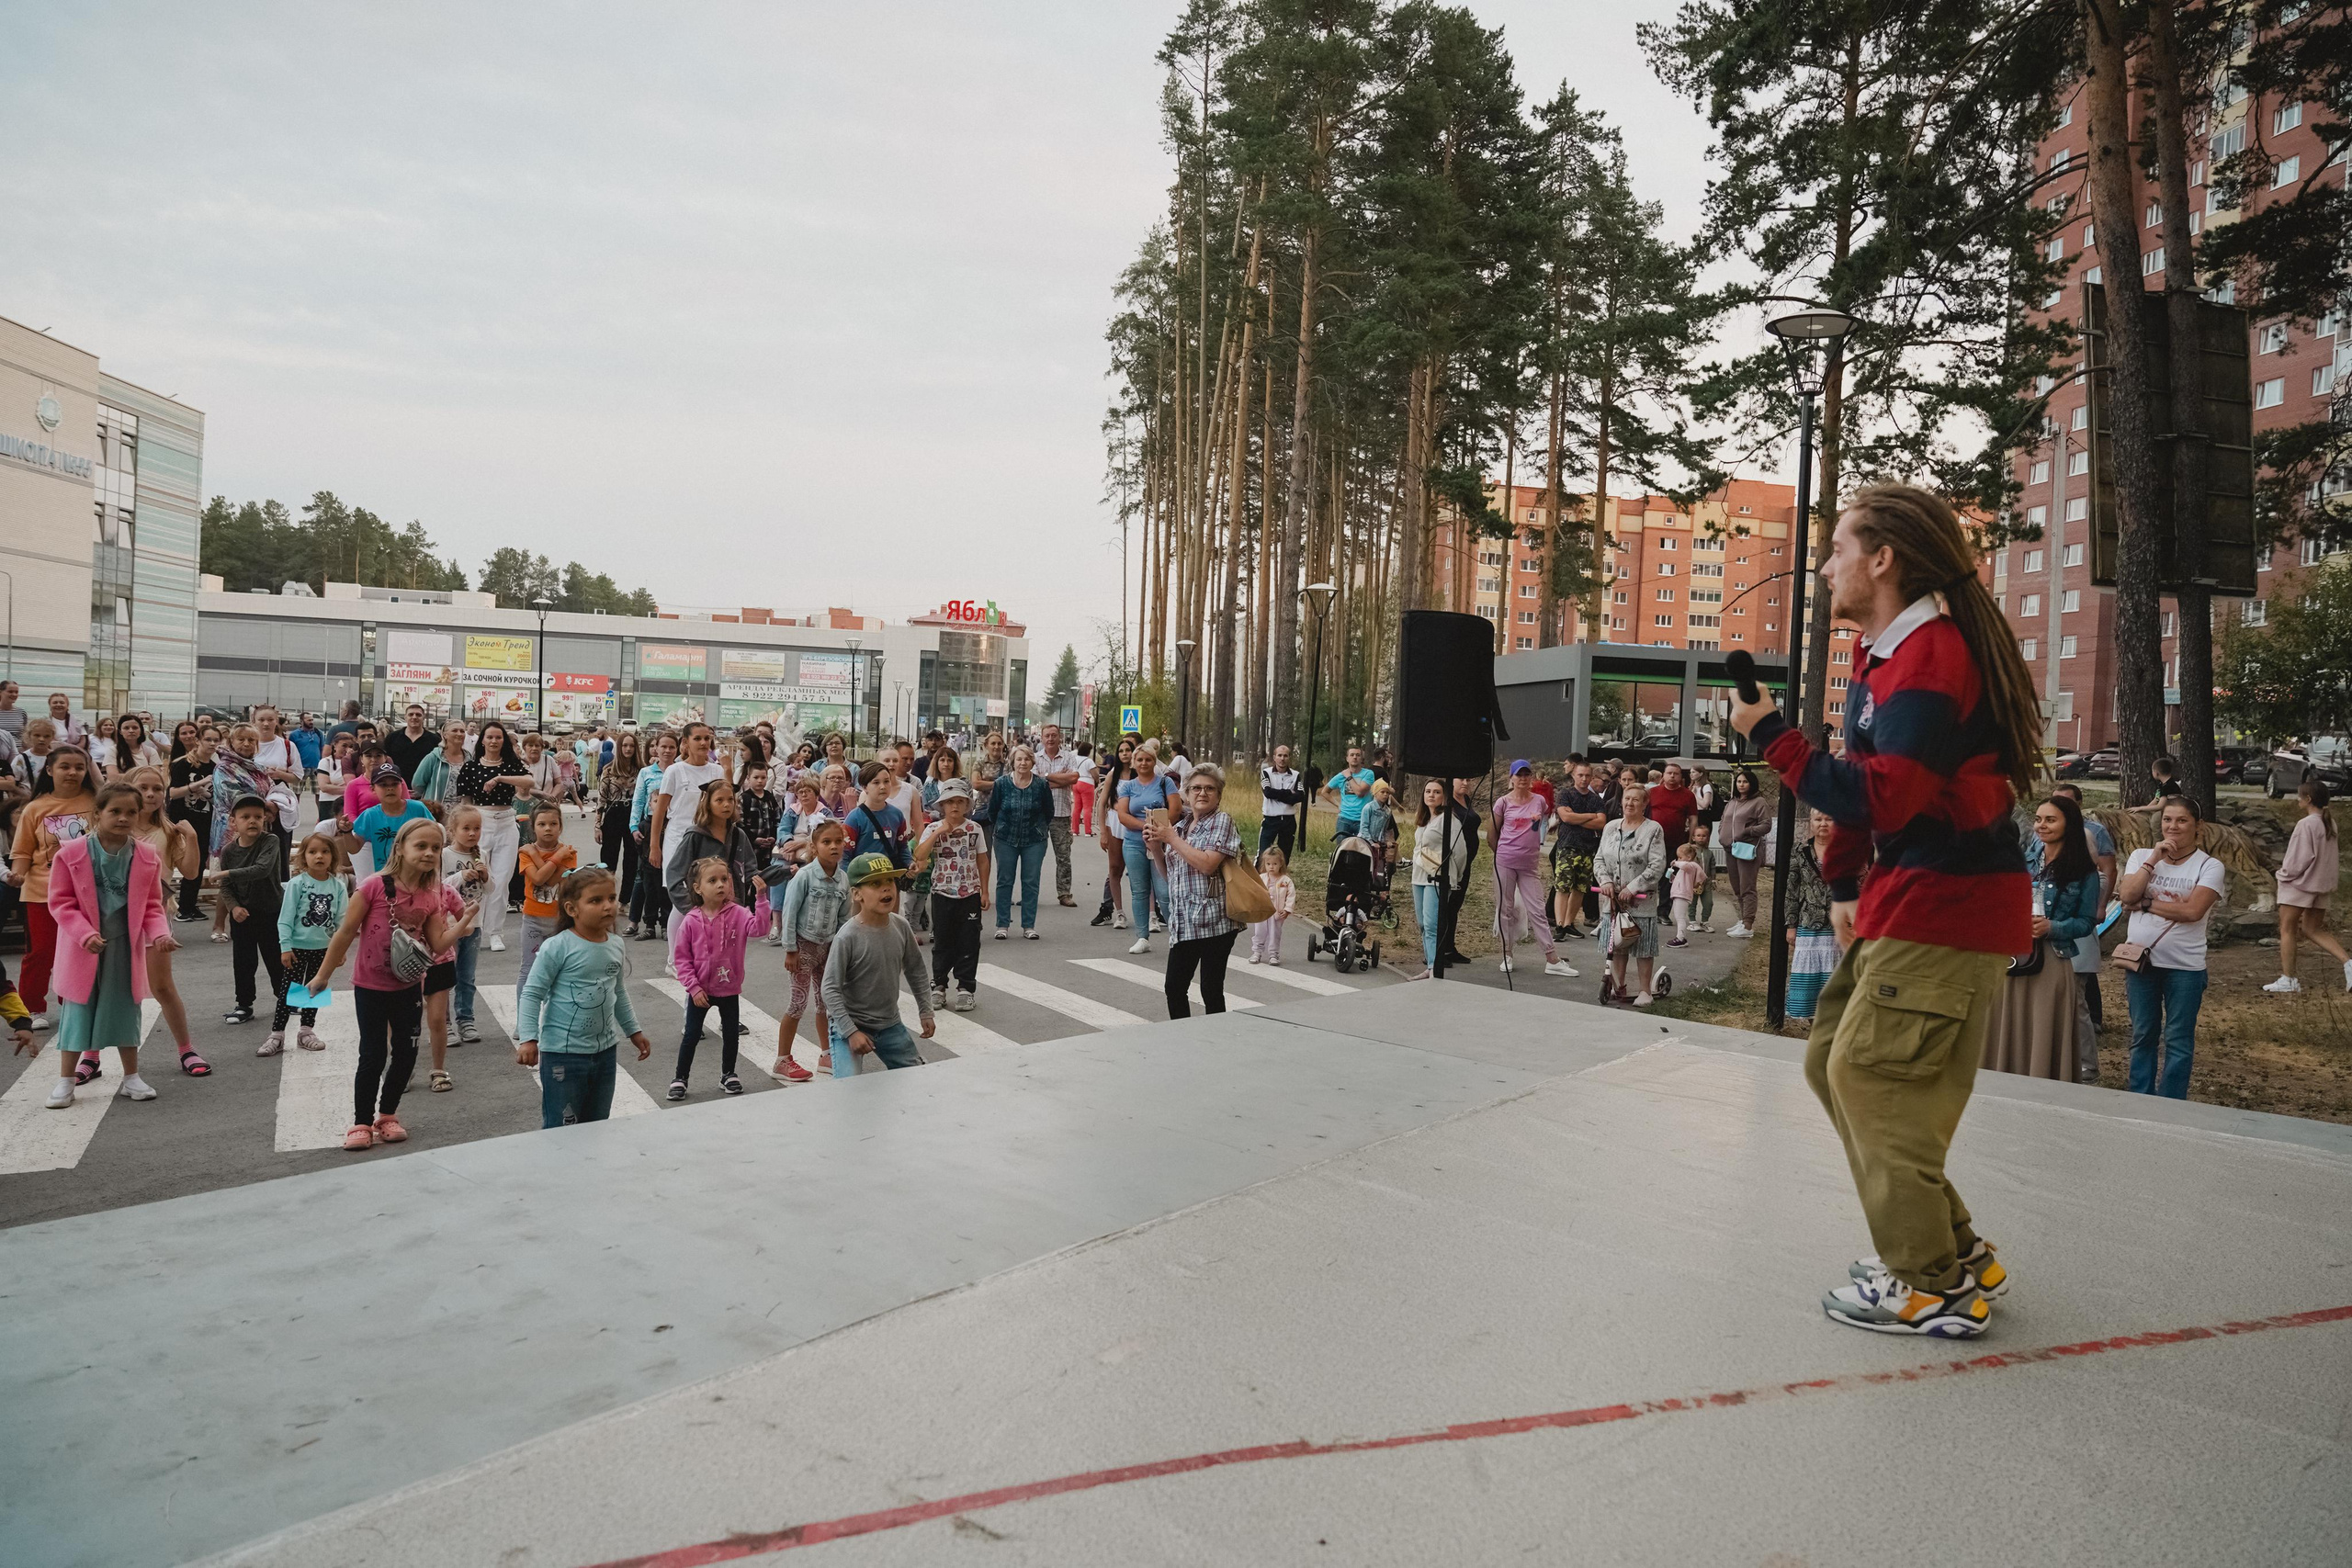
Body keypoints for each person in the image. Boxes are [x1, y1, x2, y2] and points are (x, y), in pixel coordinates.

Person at [1729, 481, 2041, 1340]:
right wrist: (1839, 886)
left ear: (1883, 558)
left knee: (1873, 1081)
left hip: (1949, 909)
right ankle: (1952, 1251)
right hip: (1908, 904)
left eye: (1836, 548)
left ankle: (1932, 1284)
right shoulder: (1884, 655)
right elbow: (1864, 796)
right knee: (1832, 1058)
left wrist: (1771, 735)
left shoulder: (1930, 655)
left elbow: (1889, 795)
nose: (1824, 565)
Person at [307, 816, 473, 1148]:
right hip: (370, 986)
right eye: (421, 846)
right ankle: (361, 1122)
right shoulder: (372, 886)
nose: (429, 853)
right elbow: (344, 932)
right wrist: (322, 976)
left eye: (436, 848)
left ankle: (387, 1115)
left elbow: (438, 945)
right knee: (372, 1054)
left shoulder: (431, 895)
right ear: (400, 847)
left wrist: (464, 921)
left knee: (406, 1053)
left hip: (409, 985)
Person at [39, 782, 169, 1109]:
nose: (123, 818)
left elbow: (153, 905)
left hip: (124, 947)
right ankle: (66, 1081)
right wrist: (84, 934)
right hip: (83, 947)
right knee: (77, 1012)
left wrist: (161, 934)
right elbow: (61, 903)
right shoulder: (71, 853)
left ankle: (131, 1077)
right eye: (115, 811)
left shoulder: (146, 855)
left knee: (126, 1009)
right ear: (97, 813)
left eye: (131, 812)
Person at [514, 867, 652, 1128]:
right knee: (562, 1127)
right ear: (571, 909)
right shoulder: (557, 946)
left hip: (604, 1053)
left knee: (597, 1124)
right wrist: (528, 1039)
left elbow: (618, 992)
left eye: (611, 898)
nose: (607, 906)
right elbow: (532, 993)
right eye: (595, 901)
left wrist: (634, 1031)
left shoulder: (615, 943)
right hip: (563, 1055)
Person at [1983, 795, 2103, 1083]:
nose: (2041, 826)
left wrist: (2053, 927)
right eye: (2038, 819)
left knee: (2044, 1028)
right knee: (2007, 1021)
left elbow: (2086, 922)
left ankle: (2041, 1088)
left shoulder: (2084, 872)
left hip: (2052, 959)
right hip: (2013, 956)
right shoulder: (2022, 861)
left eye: (2050, 819)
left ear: (2069, 825)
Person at [2117, 795, 2227, 1100]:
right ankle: (2139, 1097)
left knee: (2178, 1038)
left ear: (2197, 826)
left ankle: (2171, 1103)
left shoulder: (2209, 865)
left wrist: (2148, 903)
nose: (2173, 826)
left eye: (2181, 820)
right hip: (2141, 963)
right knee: (2143, 1035)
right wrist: (2154, 859)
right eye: (2167, 819)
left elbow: (2193, 911)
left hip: (2185, 967)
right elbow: (2127, 894)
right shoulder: (2141, 856)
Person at [108, 768, 208, 1078]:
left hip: (154, 917)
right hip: (112, 918)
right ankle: (91, 1054)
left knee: (162, 986)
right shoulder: (111, 828)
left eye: (157, 789)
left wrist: (190, 837)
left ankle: (186, 1049)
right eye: (143, 788)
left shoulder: (167, 831)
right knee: (107, 988)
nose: (151, 794)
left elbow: (191, 873)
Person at [820, 852, 936, 1077]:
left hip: (889, 1023)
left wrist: (926, 1011)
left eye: (889, 881)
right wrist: (851, 1032)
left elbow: (916, 970)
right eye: (875, 883)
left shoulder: (901, 926)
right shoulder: (847, 937)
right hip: (849, 1024)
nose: (886, 889)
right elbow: (830, 988)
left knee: (916, 1080)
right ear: (856, 894)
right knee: (848, 1088)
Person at [7, 746, 97, 1031]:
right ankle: (32, 1006)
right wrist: (17, 876)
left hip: (86, 893)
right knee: (41, 952)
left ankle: (72, 1000)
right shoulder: (35, 808)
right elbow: (21, 852)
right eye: (65, 767)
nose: (73, 772)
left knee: (78, 950)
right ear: (49, 770)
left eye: (79, 767)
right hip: (41, 893)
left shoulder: (97, 801)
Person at [1145, 763, 1242, 1018]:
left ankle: (1214, 1041)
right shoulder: (1180, 827)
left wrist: (1170, 839)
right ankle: (1184, 1039)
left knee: (1211, 989)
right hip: (1183, 921)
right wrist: (1156, 846)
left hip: (1215, 920)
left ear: (1218, 795)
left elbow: (1208, 864)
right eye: (1196, 788)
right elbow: (1170, 875)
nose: (1202, 793)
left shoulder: (1222, 821)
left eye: (1209, 788)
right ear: (1186, 794)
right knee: (1174, 987)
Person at [669, 857, 761, 1099]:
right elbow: (682, 960)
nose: (721, 885)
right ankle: (680, 1078)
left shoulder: (739, 914)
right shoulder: (690, 921)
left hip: (729, 989)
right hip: (700, 991)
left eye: (724, 879)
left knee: (731, 1035)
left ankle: (728, 1074)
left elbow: (759, 929)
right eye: (713, 880)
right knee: (690, 1036)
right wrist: (694, 988)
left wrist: (761, 899)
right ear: (698, 888)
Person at [775, 820, 847, 1079]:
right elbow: (790, 912)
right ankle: (782, 1060)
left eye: (838, 841)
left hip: (828, 949)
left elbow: (843, 920)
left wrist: (840, 954)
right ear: (815, 847)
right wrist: (790, 949)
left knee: (825, 1002)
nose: (834, 846)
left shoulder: (843, 879)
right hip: (803, 947)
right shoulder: (805, 876)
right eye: (826, 842)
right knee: (797, 1003)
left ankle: (827, 1054)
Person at [209, 794, 289, 1030]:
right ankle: (244, 1005)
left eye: (258, 816)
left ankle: (289, 999)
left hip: (271, 911)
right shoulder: (228, 851)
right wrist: (233, 907)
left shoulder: (270, 841)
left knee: (279, 959)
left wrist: (226, 873)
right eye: (245, 817)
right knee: (243, 962)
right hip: (243, 914)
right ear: (234, 822)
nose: (252, 821)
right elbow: (226, 888)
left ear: (265, 819)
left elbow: (262, 869)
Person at [1491, 761, 1576, 978]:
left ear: (1531, 779)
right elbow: (1493, 834)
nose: (1523, 779)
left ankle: (1552, 958)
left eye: (1527, 775)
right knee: (1505, 908)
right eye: (1519, 775)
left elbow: (1545, 821)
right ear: (1511, 778)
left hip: (1530, 865)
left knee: (1537, 910)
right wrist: (1502, 854)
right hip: (1506, 862)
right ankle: (1507, 954)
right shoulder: (1503, 803)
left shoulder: (1538, 801)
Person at [2265, 779, 2347, 995]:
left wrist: (2282, 875)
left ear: (2308, 799)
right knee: (2313, 929)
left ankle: (2289, 979)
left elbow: (2299, 859)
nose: (2297, 799)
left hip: (2299, 885)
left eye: (2300, 796)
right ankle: (2348, 963)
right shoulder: (2330, 823)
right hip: (2320, 886)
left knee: (2287, 929)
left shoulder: (2306, 824)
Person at [455, 721, 530, 953]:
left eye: (498, 737)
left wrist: (500, 778)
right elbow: (465, 801)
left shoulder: (511, 765)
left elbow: (529, 781)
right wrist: (465, 828)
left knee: (501, 879)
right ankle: (473, 927)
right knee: (477, 877)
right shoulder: (470, 767)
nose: (494, 741)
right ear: (483, 740)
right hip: (481, 822)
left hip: (507, 821)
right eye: (490, 737)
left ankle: (495, 932)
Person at [915, 776, 989, 1010]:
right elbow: (920, 856)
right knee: (943, 940)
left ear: (967, 805)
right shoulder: (933, 828)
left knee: (969, 940)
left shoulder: (974, 828)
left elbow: (982, 860)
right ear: (942, 805)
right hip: (942, 892)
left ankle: (966, 988)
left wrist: (984, 891)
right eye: (950, 802)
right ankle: (939, 985)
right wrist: (939, 833)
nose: (955, 806)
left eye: (960, 801)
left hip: (969, 893)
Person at [273, 833, 347, 1055]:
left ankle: (307, 1031)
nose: (319, 856)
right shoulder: (297, 884)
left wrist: (339, 950)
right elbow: (285, 918)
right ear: (304, 857)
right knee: (290, 991)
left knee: (316, 989)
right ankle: (277, 1034)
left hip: (325, 950)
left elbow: (342, 922)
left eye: (325, 852)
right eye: (313, 852)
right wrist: (285, 947)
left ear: (333, 857)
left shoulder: (338, 887)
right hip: (296, 949)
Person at [1594, 783, 1668, 1006]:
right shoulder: (1611, 827)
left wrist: (1633, 888)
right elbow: (1599, 859)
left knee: (1643, 947)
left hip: (1640, 901)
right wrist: (1605, 881)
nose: (1630, 803)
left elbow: (1656, 865)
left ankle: (1645, 991)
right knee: (1616, 944)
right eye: (1627, 798)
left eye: (1636, 799)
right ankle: (1619, 986)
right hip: (1612, 900)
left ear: (1645, 804)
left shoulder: (1653, 829)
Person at [1115, 743, 1180, 954]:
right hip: (1134, 841)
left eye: (1148, 760)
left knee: (1164, 890)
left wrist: (1159, 831)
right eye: (1140, 760)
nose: (1144, 763)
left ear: (1154, 761)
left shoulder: (1165, 782)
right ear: (1134, 762)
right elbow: (1123, 815)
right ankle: (1142, 937)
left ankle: (1177, 936)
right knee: (1139, 890)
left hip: (1161, 841)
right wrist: (1145, 826)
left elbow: (1175, 809)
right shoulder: (1127, 786)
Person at [989, 744, 1053, 941]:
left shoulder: (1041, 785)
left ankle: (1028, 925)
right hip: (1005, 838)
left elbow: (1048, 812)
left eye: (1026, 759)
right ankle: (1002, 925)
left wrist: (1039, 829)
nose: (1023, 762)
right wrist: (1001, 829)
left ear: (1032, 762)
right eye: (1019, 759)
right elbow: (993, 811)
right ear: (1012, 762)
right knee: (1004, 881)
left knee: (1031, 882)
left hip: (1034, 839)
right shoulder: (1001, 784)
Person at [1408, 781, 1472, 978]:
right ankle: (1430, 964)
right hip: (1418, 877)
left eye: (1436, 792)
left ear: (1444, 796)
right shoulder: (1426, 819)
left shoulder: (1449, 820)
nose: (1431, 795)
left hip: (1436, 878)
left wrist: (1456, 876)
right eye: (1428, 791)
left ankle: (1435, 967)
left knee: (1432, 923)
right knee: (1422, 924)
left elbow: (1461, 852)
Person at [440, 806, 491, 1048]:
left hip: (474, 924)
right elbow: (437, 887)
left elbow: (491, 891)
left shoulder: (482, 854)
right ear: (452, 831)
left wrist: (485, 876)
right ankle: (444, 1024)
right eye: (466, 828)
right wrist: (462, 877)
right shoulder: (445, 855)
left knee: (467, 977)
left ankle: (466, 1019)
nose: (472, 833)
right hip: (449, 925)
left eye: (477, 828)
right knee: (445, 977)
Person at [1782, 809, 1840, 1022]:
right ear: (1811, 823)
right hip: (1809, 923)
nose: (1823, 823)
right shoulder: (1800, 850)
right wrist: (1791, 925)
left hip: (1838, 925)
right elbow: (1792, 889)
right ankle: (1812, 1019)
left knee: (1834, 973)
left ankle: (1831, 1019)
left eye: (1829, 819)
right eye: (1818, 819)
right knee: (1809, 975)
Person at [514, 804, 579, 993]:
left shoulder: (569, 853)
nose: (548, 828)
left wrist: (548, 856)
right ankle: (524, 1019)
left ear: (561, 827)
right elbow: (538, 879)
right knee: (528, 969)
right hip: (533, 920)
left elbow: (550, 881)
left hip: (560, 921)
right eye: (541, 824)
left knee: (559, 970)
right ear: (533, 827)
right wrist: (544, 855)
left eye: (553, 823)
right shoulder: (526, 852)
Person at [1548, 762, 1608, 942]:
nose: (1584, 779)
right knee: (1563, 886)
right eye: (1580, 775)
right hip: (1568, 846)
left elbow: (1601, 823)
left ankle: (1568, 923)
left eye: (1587, 776)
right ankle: (1559, 925)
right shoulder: (1565, 794)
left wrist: (1576, 818)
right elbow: (1565, 817)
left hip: (1588, 848)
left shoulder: (1596, 800)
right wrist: (1590, 816)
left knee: (1580, 888)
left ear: (1592, 777)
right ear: (1574, 775)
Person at [628, 731, 678, 940]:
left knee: (668, 879)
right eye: (663, 746)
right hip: (648, 828)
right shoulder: (646, 772)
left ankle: (667, 924)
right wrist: (634, 827)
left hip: (673, 827)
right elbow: (638, 801)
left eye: (671, 747)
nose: (667, 751)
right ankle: (646, 923)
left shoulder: (679, 770)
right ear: (655, 748)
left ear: (677, 749)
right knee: (647, 879)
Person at [166, 726, 218, 922]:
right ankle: (175, 907)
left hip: (204, 821)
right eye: (208, 739)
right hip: (182, 820)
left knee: (197, 864)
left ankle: (189, 905)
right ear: (198, 741)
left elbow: (216, 799)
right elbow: (172, 793)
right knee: (176, 861)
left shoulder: (214, 767)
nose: (212, 744)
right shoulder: (183, 764)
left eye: (215, 740)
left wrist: (208, 794)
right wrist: (196, 785)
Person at [351, 765, 435, 876]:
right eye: (383, 785)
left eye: (395, 784)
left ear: (402, 786)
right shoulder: (370, 815)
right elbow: (354, 848)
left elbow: (435, 833)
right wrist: (346, 831)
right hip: (386, 876)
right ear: (373, 789)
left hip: (418, 874)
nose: (390, 788)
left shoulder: (418, 808)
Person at [1716, 768, 1770, 937]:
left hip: (1746, 849)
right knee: (1737, 886)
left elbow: (1766, 825)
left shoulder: (1759, 802)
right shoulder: (1732, 801)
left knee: (1747, 887)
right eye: (1739, 781)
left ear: (1751, 784)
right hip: (1730, 848)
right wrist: (1721, 833)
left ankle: (1748, 925)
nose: (1741, 784)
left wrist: (1747, 831)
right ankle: (1742, 920)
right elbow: (1723, 820)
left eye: (1745, 781)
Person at [1035, 724, 1082, 907]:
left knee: (1063, 856)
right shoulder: (1035, 758)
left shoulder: (1069, 757)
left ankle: (1064, 893)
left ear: (1059, 737)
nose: (1051, 739)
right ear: (1042, 737)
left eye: (1054, 735)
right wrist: (1056, 779)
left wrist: (1045, 777)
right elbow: (1034, 783)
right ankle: (1031, 893)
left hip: (1061, 814)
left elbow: (1073, 778)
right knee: (1034, 857)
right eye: (1047, 735)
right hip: (1038, 814)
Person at [1092, 736, 1137, 929]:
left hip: (1136, 824)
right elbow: (1102, 804)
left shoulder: (1141, 772)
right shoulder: (1113, 774)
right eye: (1121, 751)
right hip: (1115, 825)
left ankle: (1151, 913)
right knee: (1115, 869)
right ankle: (1117, 912)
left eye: (1128, 750)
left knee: (1139, 870)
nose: (1125, 754)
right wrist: (1103, 832)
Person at [1246, 845, 1295, 966]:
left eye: (1274, 864)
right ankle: (1257, 952)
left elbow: (1291, 895)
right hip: (1262, 911)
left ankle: (1274, 955)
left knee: (1275, 933)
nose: (1271, 867)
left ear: (1281, 864)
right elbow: (1254, 892)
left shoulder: (1286, 880)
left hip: (1277, 912)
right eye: (1268, 864)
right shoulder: (1261, 878)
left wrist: (1287, 909)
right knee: (1259, 932)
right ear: (1265, 864)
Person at [413, 722, 471, 819]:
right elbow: (417, 784)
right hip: (437, 812)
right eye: (454, 730)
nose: (459, 734)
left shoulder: (469, 758)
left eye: (462, 731)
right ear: (445, 735)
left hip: (460, 812)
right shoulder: (433, 758)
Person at [1258, 744, 1305, 859]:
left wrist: (1277, 794)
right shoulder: (1266, 773)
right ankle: (1259, 877)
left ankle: (1281, 877)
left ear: (1289, 758)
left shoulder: (1296, 775)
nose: (1282, 759)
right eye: (1279, 755)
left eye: (1285, 756)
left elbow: (1300, 796)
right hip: (1270, 819)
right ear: (1274, 757)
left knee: (1284, 856)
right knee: (1263, 854)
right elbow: (1268, 793)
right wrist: (1288, 792)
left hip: (1288, 821)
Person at [1324, 745, 1375, 841]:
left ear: (1361, 759)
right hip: (1344, 819)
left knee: (1361, 851)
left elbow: (1360, 792)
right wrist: (1337, 805)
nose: (1355, 757)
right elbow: (1325, 792)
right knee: (1342, 850)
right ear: (1347, 758)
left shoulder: (1368, 774)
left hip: (1363, 820)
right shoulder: (1340, 776)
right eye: (1352, 755)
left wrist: (1349, 777)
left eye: (1358, 755)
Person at [1645, 761, 1699, 852]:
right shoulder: (1652, 792)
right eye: (1669, 773)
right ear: (1663, 775)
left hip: (1677, 842)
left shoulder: (1688, 795)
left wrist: (1690, 842)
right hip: (1652, 840)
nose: (1672, 776)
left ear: (1681, 776)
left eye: (1676, 773)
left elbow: (1693, 819)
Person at [385, 704, 437, 782]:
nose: (414, 717)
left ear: (424, 718)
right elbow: (386, 762)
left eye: (418, 715)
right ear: (405, 717)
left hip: (425, 787)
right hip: (397, 785)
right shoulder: (392, 738)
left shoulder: (435, 740)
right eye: (411, 714)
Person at [1360, 779, 1398, 883]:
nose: (1385, 795)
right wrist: (1371, 842)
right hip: (1365, 842)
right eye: (1382, 792)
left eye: (1387, 792)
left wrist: (1385, 842)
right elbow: (1363, 828)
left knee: (1378, 868)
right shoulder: (1368, 808)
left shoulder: (1387, 811)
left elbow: (1384, 830)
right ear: (1375, 793)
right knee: (1365, 867)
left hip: (1378, 844)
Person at [1668, 842, 1704, 947]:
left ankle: (1681, 938)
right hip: (1679, 893)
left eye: (1680, 857)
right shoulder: (1684, 869)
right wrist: (1672, 877)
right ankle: (1680, 937)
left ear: (1688, 857)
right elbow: (1681, 880)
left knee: (1680, 917)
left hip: (1682, 894)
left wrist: (1675, 863)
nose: (1678, 859)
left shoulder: (1691, 866)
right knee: (1678, 916)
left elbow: (1684, 865)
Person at [289, 712, 325, 787]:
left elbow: (322, 748)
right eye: (309, 720)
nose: (311, 722)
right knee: (297, 792)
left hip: (316, 767)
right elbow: (291, 751)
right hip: (300, 766)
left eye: (312, 720)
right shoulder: (294, 735)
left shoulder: (318, 733)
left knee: (318, 791)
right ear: (301, 721)